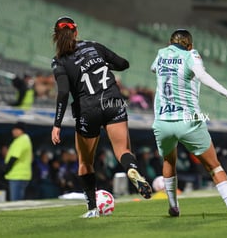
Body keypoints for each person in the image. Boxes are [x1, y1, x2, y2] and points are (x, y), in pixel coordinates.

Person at [50, 16, 152, 218]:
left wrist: (57, 124)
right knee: (123, 150)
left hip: (88, 109)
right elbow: (123, 64)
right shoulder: (93, 46)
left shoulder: (59, 61)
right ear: (76, 32)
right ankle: (132, 169)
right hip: (113, 101)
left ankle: (92, 209)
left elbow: (63, 93)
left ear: (56, 36)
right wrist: (100, 63)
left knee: (85, 162)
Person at [150, 29, 227, 218]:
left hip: (162, 121)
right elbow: (201, 75)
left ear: (170, 43)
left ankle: (173, 206)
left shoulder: (161, 54)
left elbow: (154, 69)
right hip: (188, 120)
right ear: (190, 45)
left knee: (169, 160)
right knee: (214, 166)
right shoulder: (191, 55)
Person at [4, 122, 33, 201]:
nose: (13, 131)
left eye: (16, 129)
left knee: (16, 202)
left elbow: (14, 157)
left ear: (21, 130)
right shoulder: (24, 139)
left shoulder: (22, 139)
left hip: (18, 175)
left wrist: (6, 170)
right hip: (21, 175)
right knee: (19, 200)